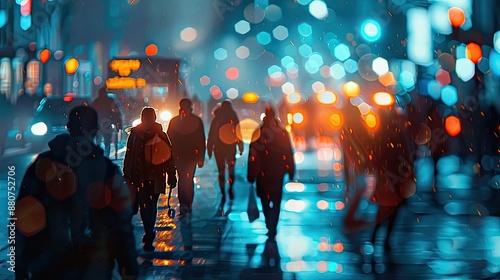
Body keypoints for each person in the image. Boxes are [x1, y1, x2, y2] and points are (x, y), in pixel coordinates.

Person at [15, 105, 138, 279]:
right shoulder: (106, 170)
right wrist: (129, 267)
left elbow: (23, 217)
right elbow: (121, 225)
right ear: (96, 130)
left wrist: (20, 265)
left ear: (68, 128)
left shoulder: (43, 165)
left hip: (48, 264)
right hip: (94, 264)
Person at [123, 107, 177, 252]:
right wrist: (171, 174)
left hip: (143, 176)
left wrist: (127, 174)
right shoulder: (159, 135)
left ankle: (149, 232)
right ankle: (149, 232)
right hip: (151, 177)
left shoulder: (135, 135)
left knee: (146, 205)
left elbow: (129, 156)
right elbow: (169, 158)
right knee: (149, 205)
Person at [247, 106, 295, 239]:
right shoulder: (282, 132)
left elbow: (252, 155)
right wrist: (290, 170)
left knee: (264, 199)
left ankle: (269, 222)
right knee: (276, 198)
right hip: (277, 172)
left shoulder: (258, 132)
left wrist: (251, 174)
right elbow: (288, 153)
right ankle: (273, 224)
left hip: (262, 172)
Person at [167, 98, 206, 220]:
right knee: (187, 179)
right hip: (190, 156)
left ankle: (184, 203)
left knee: (183, 178)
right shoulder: (196, 121)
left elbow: (169, 140)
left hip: (180, 156)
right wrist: (201, 157)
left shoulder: (174, 121)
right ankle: (187, 203)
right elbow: (201, 141)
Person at [207, 100, 244, 205]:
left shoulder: (217, 118)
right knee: (231, 169)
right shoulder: (233, 117)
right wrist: (240, 146)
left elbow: (211, 134)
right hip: (230, 148)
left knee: (221, 171)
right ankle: (230, 188)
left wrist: (210, 148)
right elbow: (238, 132)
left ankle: (223, 191)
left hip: (219, 149)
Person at [90, 87, 123, 158]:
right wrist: (118, 123)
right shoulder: (110, 101)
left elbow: (91, 113)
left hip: (99, 124)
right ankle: (105, 156)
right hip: (106, 124)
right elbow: (117, 113)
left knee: (99, 141)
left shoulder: (96, 101)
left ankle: (99, 156)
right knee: (107, 141)